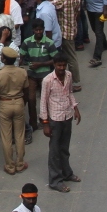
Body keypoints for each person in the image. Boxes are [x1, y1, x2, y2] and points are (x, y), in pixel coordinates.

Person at [39, 54, 81, 193]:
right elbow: (43, 101)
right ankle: (55, 181)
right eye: (59, 65)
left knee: (64, 148)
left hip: (67, 116)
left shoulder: (68, 75)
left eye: (64, 65)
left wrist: (75, 108)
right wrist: (45, 123)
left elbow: (69, 93)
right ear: (54, 65)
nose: (62, 68)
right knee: (55, 151)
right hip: (55, 119)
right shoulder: (48, 80)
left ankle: (67, 173)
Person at [0, 46, 28, 175]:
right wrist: (23, 103)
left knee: (6, 136)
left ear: (4, 59)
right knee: (19, 135)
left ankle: (10, 166)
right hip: (18, 102)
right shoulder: (22, 72)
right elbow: (26, 90)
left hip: (4, 104)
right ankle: (20, 163)